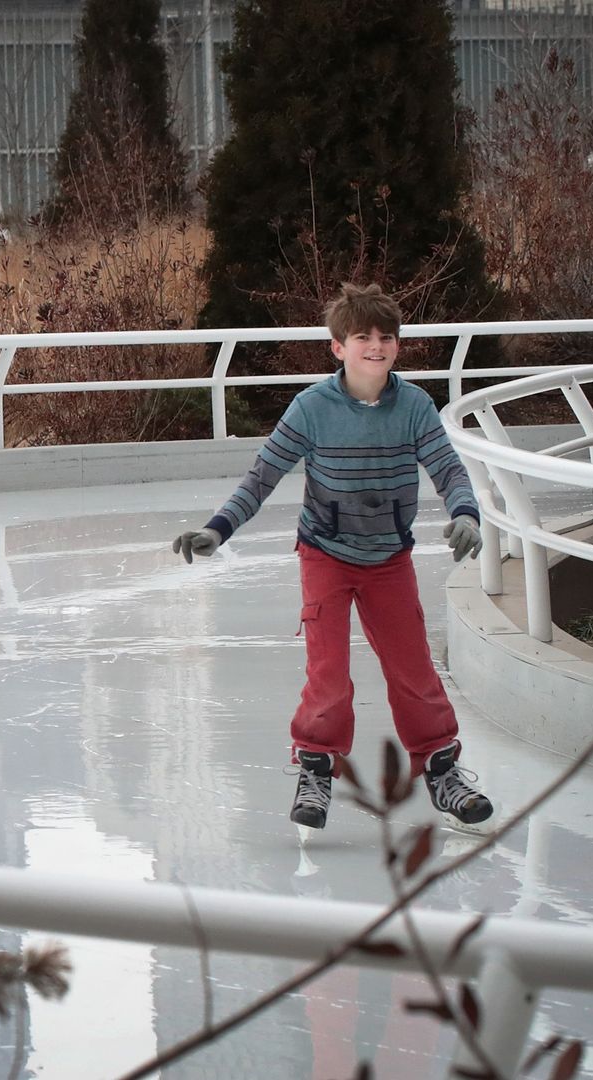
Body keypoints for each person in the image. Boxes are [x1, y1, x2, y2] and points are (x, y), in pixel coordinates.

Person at [171, 283, 495, 830]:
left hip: (388, 558)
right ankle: (316, 768)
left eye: (386, 337)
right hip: (325, 555)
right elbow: (262, 476)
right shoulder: (311, 409)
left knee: (412, 668)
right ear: (338, 347)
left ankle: (441, 768)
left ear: (397, 346)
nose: (376, 345)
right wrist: (217, 528)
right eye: (362, 336)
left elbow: (449, 471)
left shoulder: (415, 406)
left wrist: (466, 513)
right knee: (329, 672)